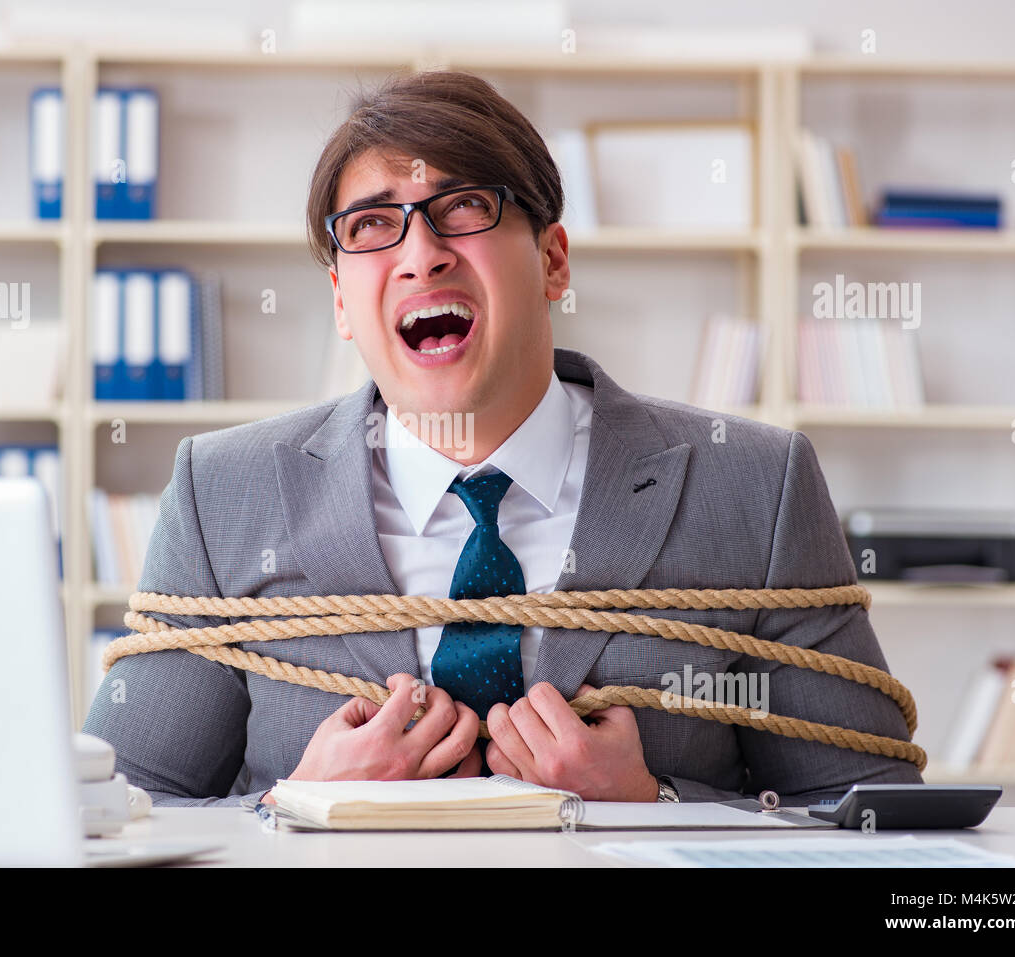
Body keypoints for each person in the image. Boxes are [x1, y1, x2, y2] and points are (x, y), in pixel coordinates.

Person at [83, 70, 923, 806]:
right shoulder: (222, 492)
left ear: (553, 259)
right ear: (341, 298)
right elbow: (113, 817)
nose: (421, 254)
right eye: (374, 225)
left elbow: (871, 819)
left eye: (463, 208)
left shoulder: (754, 487)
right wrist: (298, 803)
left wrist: (653, 798)